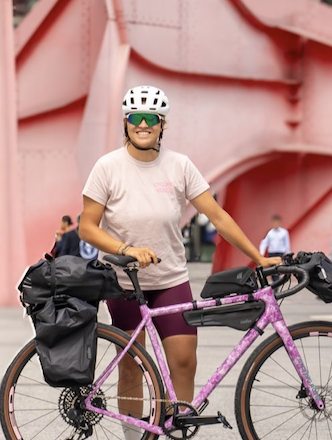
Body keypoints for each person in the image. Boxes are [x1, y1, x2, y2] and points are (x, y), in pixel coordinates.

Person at [79, 85, 281, 438]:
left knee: (185, 361)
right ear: (126, 123)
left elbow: (217, 216)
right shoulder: (108, 167)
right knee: (132, 366)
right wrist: (126, 249)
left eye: (151, 118)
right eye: (136, 118)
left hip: (170, 279)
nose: (143, 124)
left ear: (162, 124)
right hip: (123, 282)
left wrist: (258, 257)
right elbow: (87, 227)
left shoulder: (180, 165)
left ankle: (176, 431)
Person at [259, 215, 291, 281]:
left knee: (278, 269)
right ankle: (275, 282)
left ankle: (276, 283)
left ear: (279, 222)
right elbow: (264, 243)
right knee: (272, 270)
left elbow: (287, 244)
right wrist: (261, 253)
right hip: (272, 253)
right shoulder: (270, 232)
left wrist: (288, 254)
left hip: (280, 253)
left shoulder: (284, 232)